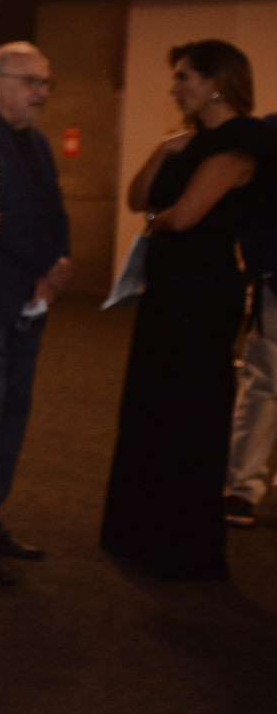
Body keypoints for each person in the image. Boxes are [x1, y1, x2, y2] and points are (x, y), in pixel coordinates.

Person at [103, 40, 276, 579]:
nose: (175, 88)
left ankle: (182, 543)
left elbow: (184, 216)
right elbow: (137, 198)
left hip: (204, 295)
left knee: (189, 411)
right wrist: (164, 150)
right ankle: (137, 529)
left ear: (215, 82)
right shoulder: (192, 142)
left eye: (184, 77)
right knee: (152, 403)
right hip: (169, 291)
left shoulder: (242, 141)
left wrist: (157, 220)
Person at [0, 42, 72, 585]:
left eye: (46, 82)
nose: (42, 92)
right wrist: (49, 263)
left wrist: (61, 264)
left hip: (31, 298)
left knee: (14, 414)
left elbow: (55, 210)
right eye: (31, 81)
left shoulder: (37, 142)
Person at [224, 111, 277, 527]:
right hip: (276, 279)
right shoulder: (270, 133)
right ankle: (241, 487)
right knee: (265, 384)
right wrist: (260, 270)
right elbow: (252, 207)